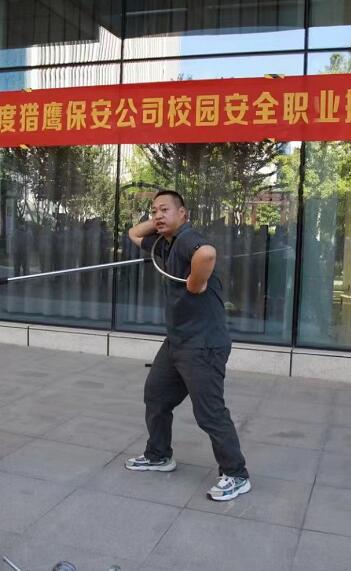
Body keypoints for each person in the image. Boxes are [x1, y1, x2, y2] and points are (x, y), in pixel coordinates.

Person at [125, 190, 251, 501]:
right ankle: (158, 455)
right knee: (156, 396)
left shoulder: (186, 238)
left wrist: (196, 282)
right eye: (154, 210)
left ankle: (236, 474)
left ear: (184, 213)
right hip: (178, 341)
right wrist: (159, 222)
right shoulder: (165, 242)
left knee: (209, 412)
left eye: (165, 210)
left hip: (203, 344)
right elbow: (134, 233)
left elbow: (206, 253)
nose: (158, 215)